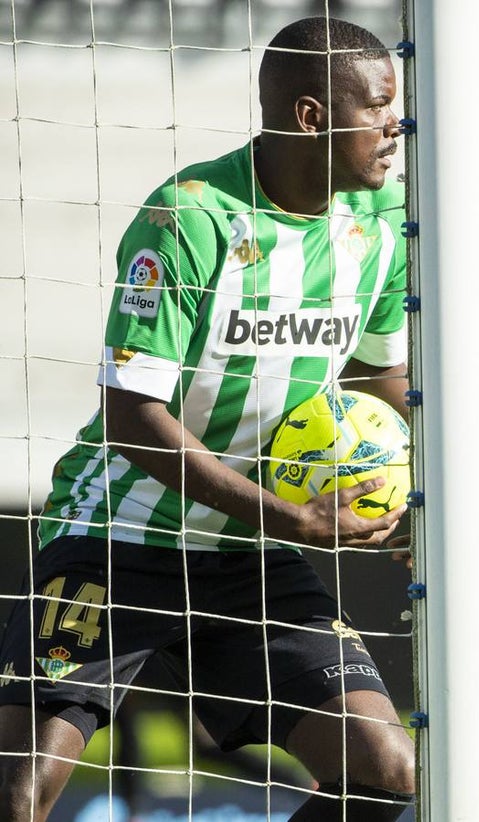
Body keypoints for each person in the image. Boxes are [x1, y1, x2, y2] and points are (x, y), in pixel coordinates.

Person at [0, 17, 416, 822]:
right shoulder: (189, 218)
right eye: (378, 106)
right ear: (311, 117)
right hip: (118, 539)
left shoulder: (379, 228)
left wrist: (418, 496)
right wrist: (289, 517)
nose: (396, 126)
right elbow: (131, 415)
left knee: (388, 771)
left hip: (247, 554)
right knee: (19, 790)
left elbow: (378, 375)